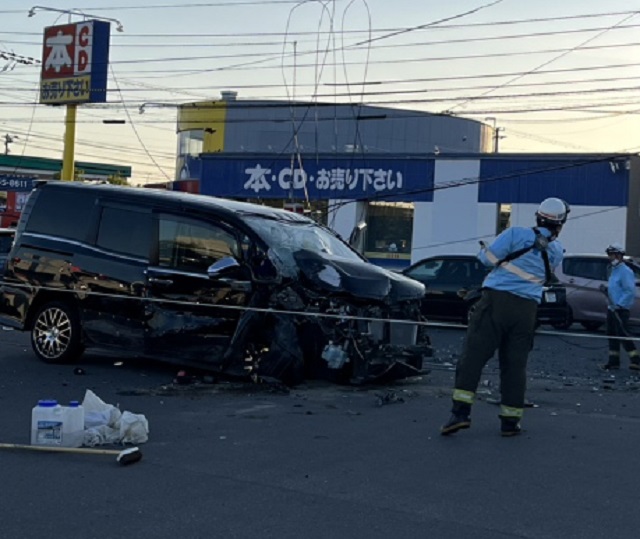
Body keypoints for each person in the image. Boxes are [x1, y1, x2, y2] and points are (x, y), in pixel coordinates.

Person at [440, 197, 568, 437]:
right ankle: (511, 421)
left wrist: (484, 250)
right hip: (527, 310)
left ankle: (460, 414)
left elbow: (486, 260)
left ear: (538, 216)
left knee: (473, 357)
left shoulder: (515, 234)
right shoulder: (556, 251)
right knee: (515, 365)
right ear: (560, 224)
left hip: (495, 303)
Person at [600, 243, 640, 371]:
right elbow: (616, 288)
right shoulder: (613, 271)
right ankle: (613, 362)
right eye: (610, 255)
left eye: (613, 255)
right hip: (612, 308)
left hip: (620, 309)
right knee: (612, 334)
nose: (611, 258)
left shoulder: (625, 271)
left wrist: (620, 305)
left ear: (619, 256)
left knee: (622, 334)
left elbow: (629, 291)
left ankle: (636, 360)